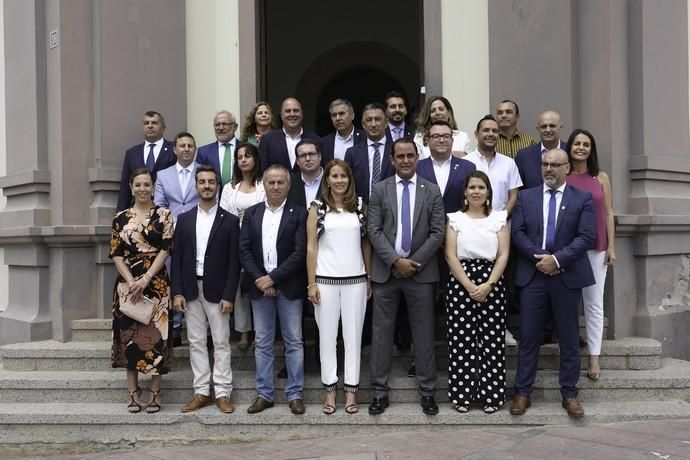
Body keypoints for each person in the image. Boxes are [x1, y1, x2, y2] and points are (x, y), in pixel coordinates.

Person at [510, 148, 595, 419]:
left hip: (566, 276)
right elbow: (518, 232)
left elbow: (586, 237)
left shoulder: (582, 198)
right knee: (529, 337)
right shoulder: (526, 196)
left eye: (555, 165)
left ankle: (569, 394)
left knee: (569, 338)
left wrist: (556, 260)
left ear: (567, 168)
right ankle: (523, 392)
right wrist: (541, 258)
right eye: (545, 164)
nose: (549, 169)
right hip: (533, 275)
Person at [367, 138, 445, 416]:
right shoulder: (379, 190)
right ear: (391, 159)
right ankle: (379, 392)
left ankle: (427, 392)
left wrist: (413, 263)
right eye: (400, 156)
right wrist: (395, 261)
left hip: (420, 273)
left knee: (423, 334)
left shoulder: (432, 190)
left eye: (410, 155)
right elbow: (373, 230)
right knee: (381, 334)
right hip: (386, 273)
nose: (405, 160)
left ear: (417, 158)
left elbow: (438, 232)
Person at [171, 165, 241, 414]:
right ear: (196, 186)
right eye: (202, 182)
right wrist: (177, 291)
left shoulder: (230, 221)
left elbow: (235, 262)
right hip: (190, 289)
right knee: (196, 341)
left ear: (217, 186)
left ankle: (222, 392)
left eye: (211, 182)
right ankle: (201, 392)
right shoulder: (185, 219)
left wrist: (229, 294)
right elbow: (177, 258)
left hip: (218, 290)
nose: (207, 186)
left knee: (221, 342)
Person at [239, 164, 308, 415]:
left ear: (288, 185)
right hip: (259, 287)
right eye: (271, 182)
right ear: (264, 185)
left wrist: (274, 279)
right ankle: (264, 394)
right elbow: (244, 249)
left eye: (281, 182)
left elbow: (300, 252)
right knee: (263, 342)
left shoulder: (299, 213)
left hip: (289, 286)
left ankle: (295, 395)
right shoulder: (252, 213)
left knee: (294, 342)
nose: (276, 186)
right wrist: (260, 279)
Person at [306, 159, 372, 415]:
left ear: (349, 179)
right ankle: (330, 390)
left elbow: (366, 243)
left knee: (353, 338)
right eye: (334, 176)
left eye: (343, 176)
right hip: (325, 281)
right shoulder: (317, 208)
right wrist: (311, 282)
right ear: (327, 180)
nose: (339, 180)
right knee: (327, 339)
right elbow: (311, 247)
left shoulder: (359, 206)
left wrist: (369, 276)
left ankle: (351, 392)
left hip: (356, 279)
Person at [444, 171, 510, 413]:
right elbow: (450, 255)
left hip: (491, 281)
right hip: (461, 282)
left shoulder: (499, 219)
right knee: (461, 341)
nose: (476, 191)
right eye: (472, 187)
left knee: (492, 341)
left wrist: (489, 285)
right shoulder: (454, 220)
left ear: (488, 192)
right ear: (465, 192)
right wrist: (469, 286)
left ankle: (491, 395)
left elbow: (503, 254)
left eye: (481, 187)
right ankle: (462, 395)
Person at [110, 167, 173, 414]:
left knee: (156, 337)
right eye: (138, 184)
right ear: (131, 187)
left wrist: (145, 279)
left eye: (147, 184)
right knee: (129, 339)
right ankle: (133, 394)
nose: (142, 189)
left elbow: (166, 249)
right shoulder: (120, 218)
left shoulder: (165, 215)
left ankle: (155, 394)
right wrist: (130, 281)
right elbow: (116, 253)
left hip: (156, 284)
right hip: (126, 285)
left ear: (153, 187)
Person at [565, 129, 616, 380]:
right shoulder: (562, 175)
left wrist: (611, 247)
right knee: (568, 304)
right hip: (569, 249)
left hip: (597, 248)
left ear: (590, 149)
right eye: (577, 143)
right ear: (570, 147)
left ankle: (594, 357)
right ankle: (571, 355)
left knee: (594, 304)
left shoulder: (600, 177)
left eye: (586, 144)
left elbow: (608, 213)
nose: (581, 148)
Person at [219, 142, 265, 351]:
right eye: (239, 157)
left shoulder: (264, 184)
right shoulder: (230, 187)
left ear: (255, 159)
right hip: (236, 241)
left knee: (259, 285)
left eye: (248, 156)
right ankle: (244, 332)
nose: (244, 160)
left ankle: (261, 331)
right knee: (238, 289)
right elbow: (225, 216)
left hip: (261, 241)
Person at [117, 111, 176, 211]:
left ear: (163, 127)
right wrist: (120, 216)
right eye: (146, 123)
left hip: (166, 209)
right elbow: (125, 188)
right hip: (138, 211)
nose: (150, 126)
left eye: (154, 123)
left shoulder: (174, 150)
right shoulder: (132, 153)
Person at [416, 120, 476, 214]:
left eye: (446, 136)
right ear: (428, 140)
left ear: (452, 140)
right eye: (436, 136)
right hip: (426, 226)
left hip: (458, 226)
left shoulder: (468, 168)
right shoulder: (417, 167)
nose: (441, 140)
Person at [344, 103, 395, 204]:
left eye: (377, 119)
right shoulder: (352, 153)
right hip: (361, 211)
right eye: (369, 120)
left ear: (386, 123)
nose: (373, 124)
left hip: (391, 210)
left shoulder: (396, 151)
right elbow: (347, 186)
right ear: (363, 125)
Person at [258, 97, 321, 172]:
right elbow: (263, 171)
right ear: (281, 115)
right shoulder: (267, 140)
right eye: (288, 111)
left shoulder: (316, 140)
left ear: (302, 114)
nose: (292, 114)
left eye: (296, 111)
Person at [154, 132, 200, 225]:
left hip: (198, 226)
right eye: (182, 146)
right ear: (175, 150)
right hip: (171, 228)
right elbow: (159, 205)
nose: (186, 149)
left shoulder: (205, 173)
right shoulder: (162, 175)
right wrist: (172, 224)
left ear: (195, 150)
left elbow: (211, 203)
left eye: (190, 146)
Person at [515, 110, 568, 189]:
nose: (548, 130)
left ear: (560, 127)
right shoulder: (524, 157)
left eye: (552, 126)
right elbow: (519, 191)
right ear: (538, 129)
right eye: (543, 126)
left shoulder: (570, 152)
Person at [196, 111, 240, 187]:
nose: (220, 128)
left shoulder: (247, 149)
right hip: (213, 197)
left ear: (235, 127)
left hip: (240, 196)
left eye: (224, 124)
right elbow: (199, 179)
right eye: (217, 125)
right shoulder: (203, 152)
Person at [321, 98, 365, 162]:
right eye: (334, 115)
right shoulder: (325, 142)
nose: (337, 118)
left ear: (352, 115)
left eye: (341, 114)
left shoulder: (365, 137)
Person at [287, 139, 324, 208]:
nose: (308, 159)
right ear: (297, 161)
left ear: (319, 156)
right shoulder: (289, 183)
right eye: (303, 155)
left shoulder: (331, 180)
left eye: (311, 154)